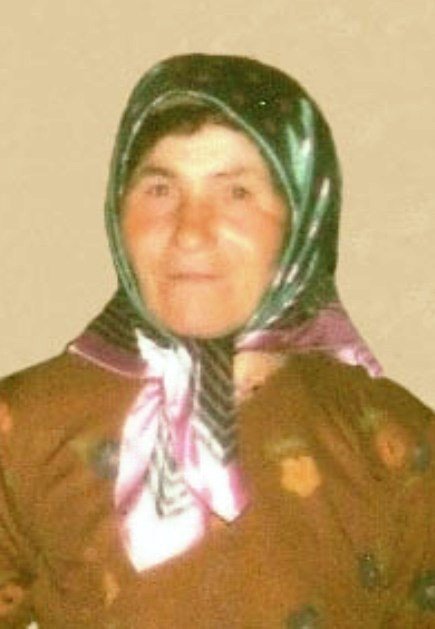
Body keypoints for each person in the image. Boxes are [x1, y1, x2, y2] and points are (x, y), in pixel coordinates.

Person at [0, 53, 433, 627]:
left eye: (237, 193)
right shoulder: (22, 426)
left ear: (302, 218)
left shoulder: (393, 439)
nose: (190, 232)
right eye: (160, 189)